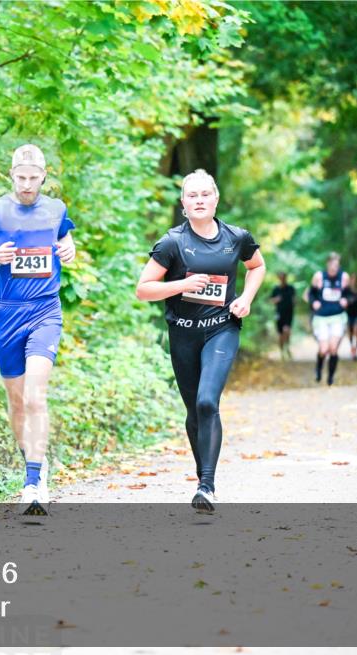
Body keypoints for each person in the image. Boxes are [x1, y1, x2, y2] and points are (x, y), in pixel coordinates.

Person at [136, 169, 265, 514]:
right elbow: (143, 289)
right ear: (183, 204)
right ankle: (202, 477)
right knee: (194, 409)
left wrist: (246, 299)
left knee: (208, 402)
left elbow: (257, 266)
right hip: (182, 334)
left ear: (216, 199)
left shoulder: (236, 237)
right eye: (192, 196)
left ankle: (206, 485)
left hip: (222, 329)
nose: (199, 200)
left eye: (205, 194)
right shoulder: (172, 243)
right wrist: (180, 286)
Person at [0, 144, 76, 516]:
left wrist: (68, 249)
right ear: (10, 175)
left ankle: (33, 483)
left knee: (34, 396)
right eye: (21, 177)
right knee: (15, 401)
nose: (27, 185)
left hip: (45, 310)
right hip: (7, 315)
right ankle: (34, 463)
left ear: (44, 176)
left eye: (34, 178)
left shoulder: (56, 209)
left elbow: (64, 237)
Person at [308, 252, 349, 386]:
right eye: (332, 264)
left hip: (338, 316)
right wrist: (314, 302)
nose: (334, 267)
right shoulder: (319, 276)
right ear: (328, 264)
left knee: (333, 349)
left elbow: (349, 294)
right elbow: (311, 294)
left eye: (337, 264)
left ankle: (330, 377)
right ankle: (319, 369)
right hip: (321, 318)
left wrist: (345, 300)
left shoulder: (344, 277)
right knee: (323, 349)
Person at [269, 272, 295, 359]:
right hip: (279, 313)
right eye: (281, 277)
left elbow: (294, 299)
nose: (282, 279)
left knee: (286, 330)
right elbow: (271, 300)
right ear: (278, 278)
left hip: (289, 313)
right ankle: (282, 352)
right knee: (280, 334)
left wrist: (293, 302)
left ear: (286, 278)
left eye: (284, 277)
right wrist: (276, 299)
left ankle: (287, 346)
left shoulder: (291, 288)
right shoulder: (276, 289)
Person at [344, 277, 357, 360]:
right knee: (349, 332)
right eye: (352, 280)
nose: (354, 281)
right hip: (348, 314)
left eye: (355, 280)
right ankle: (352, 347)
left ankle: (355, 348)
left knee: (356, 331)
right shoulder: (346, 291)